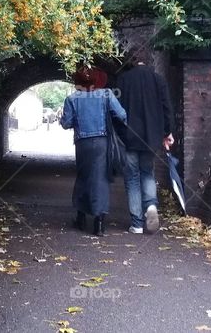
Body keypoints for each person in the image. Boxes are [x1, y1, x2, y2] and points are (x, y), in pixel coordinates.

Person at [60, 67, 127, 236]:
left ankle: (81, 217)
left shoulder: (72, 98)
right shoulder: (106, 95)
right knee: (101, 179)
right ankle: (99, 223)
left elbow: (66, 123)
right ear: (98, 80)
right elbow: (122, 115)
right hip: (102, 142)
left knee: (83, 176)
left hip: (82, 143)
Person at [115, 48, 174, 234]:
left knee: (132, 178)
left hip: (130, 137)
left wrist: (119, 133)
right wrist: (167, 132)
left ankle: (137, 224)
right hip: (151, 137)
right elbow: (166, 108)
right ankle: (150, 205)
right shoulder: (158, 80)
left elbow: (117, 111)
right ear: (148, 60)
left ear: (131, 60)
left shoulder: (123, 80)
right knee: (147, 173)